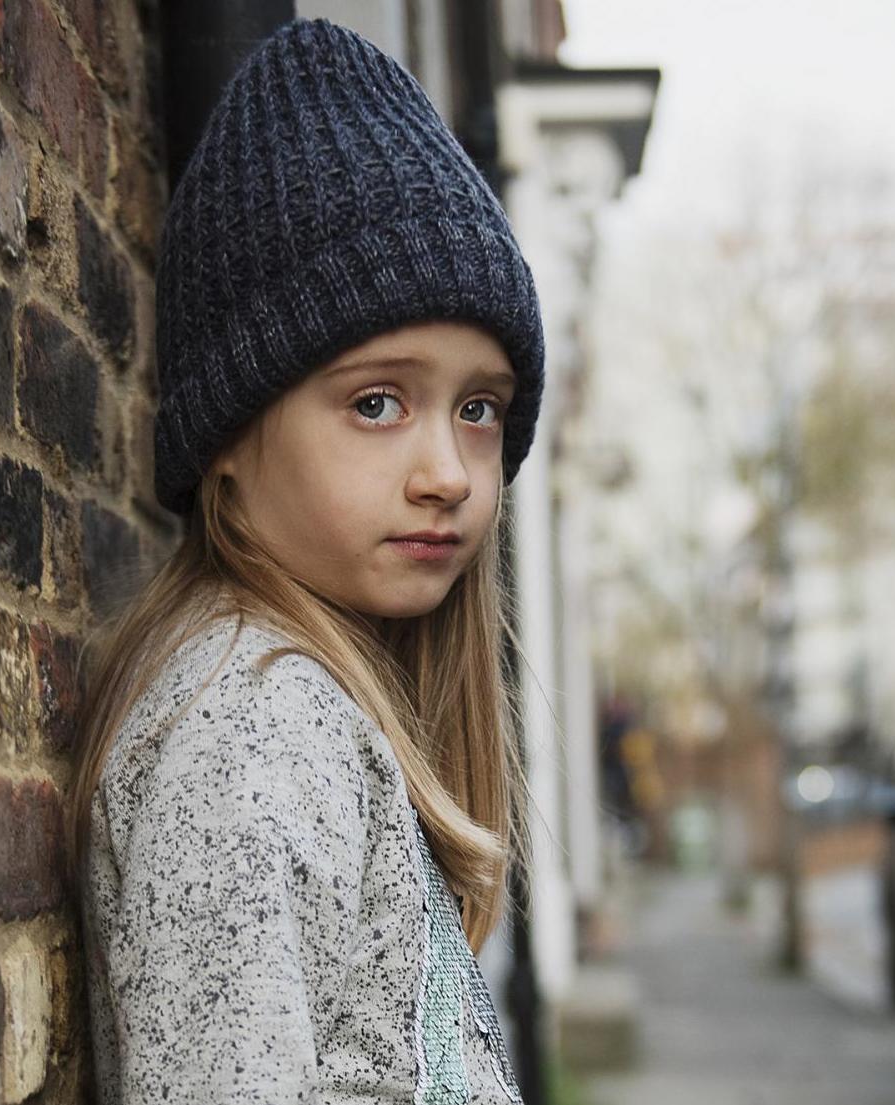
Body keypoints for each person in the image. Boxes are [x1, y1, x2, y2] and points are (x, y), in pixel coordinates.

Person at [67, 17, 546, 1105]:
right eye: (377, 402)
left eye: (480, 409)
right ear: (229, 437)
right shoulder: (246, 734)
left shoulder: (319, 721)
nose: (449, 473)